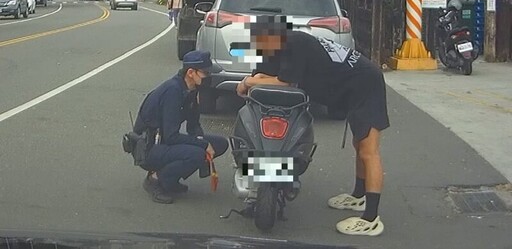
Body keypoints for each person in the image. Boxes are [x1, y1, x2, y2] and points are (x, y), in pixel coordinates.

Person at [235, 16, 389, 236]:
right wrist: (251, 79)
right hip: (349, 88)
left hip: (366, 85)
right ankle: (358, 196)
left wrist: (247, 83)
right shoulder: (273, 48)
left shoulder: (295, 43)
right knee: (358, 144)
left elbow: (285, 82)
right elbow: (263, 75)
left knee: (368, 150)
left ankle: (371, 219)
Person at [133, 50, 228, 204]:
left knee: (220, 144)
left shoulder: (190, 90)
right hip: (148, 147)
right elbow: (171, 136)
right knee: (196, 153)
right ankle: (155, 179)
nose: (208, 77)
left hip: (165, 141)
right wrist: (203, 145)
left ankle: (171, 178)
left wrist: (201, 141)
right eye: (205, 73)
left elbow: (194, 126)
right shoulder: (173, 91)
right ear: (191, 72)